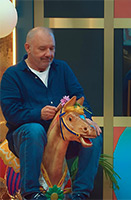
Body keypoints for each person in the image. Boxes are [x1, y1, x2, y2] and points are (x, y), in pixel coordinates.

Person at [0, 27, 102, 200]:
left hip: (64, 137)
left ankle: (80, 194)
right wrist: (38, 114)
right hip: (26, 139)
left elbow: (80, 98)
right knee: (35, 130)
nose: (49, 54)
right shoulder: (12, 75)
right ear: (28, 48)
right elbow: (11, 113)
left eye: (52, 48)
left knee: (95, 134)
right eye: (42, 49)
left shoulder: (62, 68)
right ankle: (31, 193)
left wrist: (88, 120)